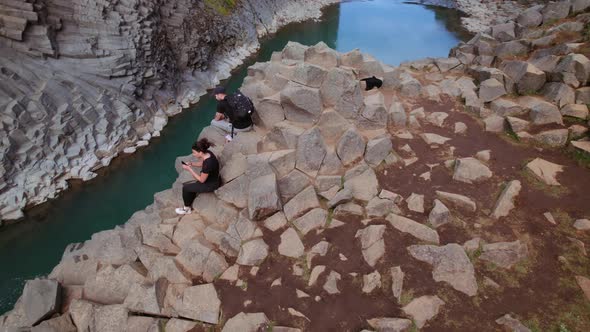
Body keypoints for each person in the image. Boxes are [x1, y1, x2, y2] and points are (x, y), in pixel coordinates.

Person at [175, 138, 221, 215]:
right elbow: (202, 163)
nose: (193, 154)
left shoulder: (208, 164)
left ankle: (186, 209)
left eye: (194, 152)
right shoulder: (208, 153)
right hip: (213, 178)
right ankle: (190, 200)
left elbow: (201, 180)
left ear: (200, 152)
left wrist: (189, 169)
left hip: (211, 184)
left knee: (185, 188)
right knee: (191, 187)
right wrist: (192, 164)